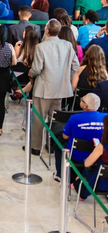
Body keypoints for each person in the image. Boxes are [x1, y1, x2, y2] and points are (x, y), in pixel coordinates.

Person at [29, 19, 80, 155]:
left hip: (43, 89)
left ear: (46, 30)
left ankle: (36, 147)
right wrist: (66, 77)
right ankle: (52, 146)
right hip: (60, 89)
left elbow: (36, 69)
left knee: (39, 119)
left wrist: (31, 73)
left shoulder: (41, 47)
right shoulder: (68, 45)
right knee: (55, 120)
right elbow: (76, 66)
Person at [54, 93, 106, 182]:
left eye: (82, 100)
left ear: (85, 106)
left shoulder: (75, 118)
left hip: (77, 154)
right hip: (98, 155)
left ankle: (60, 175)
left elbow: (65, 136)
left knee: (58, 145)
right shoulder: (105, 117)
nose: (80, 101)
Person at [0, 24, 16, 137]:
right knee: (1, 103)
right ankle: (0, 128)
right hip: (5, 75)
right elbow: (14, 63)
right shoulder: (9, 46)